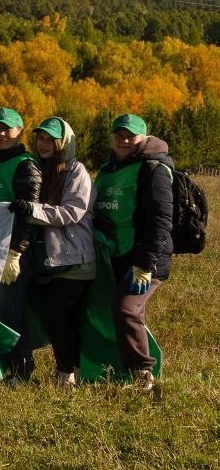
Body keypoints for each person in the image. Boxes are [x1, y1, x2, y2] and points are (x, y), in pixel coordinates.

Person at [3, 117, 95, 386]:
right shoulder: (37, 169)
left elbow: (72, 211)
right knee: (55, 318)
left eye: (50, 139)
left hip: (74, 258)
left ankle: (67, 373)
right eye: (40, 138)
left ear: (63, 142)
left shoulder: (75, 171)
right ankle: (69, 370)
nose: (44, 144)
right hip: (49, 260)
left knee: (58, 315)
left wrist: (32, 210)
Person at [92, 113, 173, 391]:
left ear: (144, 138)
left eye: (131, 136)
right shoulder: (107, 169)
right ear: (112, 137)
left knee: (126, 309)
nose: (125, 140)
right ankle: (110, 367)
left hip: (143, 259)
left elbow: (161, 220)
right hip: (113, 255)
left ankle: (143, 375)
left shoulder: (154, 169)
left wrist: (146, 264)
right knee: (116, 311)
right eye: (119, 135)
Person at [0, 107, 42, 380]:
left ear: (20, 130)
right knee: (3, 312)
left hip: (15, 254)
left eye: (7, 128)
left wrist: (17, 252)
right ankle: (9, 367)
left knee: (13, 313)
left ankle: (21, 369)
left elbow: (30, 213)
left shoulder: (26, 164)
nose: (1, 133)